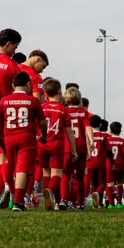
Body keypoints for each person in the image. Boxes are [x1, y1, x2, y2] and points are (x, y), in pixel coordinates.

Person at [0, 72, 47, 211]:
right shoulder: (33, 101)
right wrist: (44, 134)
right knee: (22, 170)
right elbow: (42, 122)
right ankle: (18, 201)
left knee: (9, 166)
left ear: (13, 85)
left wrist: (2, 136)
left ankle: (10, 192)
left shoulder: (4, 100)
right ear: (28, 84)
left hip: (9, 137)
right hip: (26, 137)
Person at [0, 28, 22, 208]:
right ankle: (8, 190)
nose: (15, 50)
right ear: (8, 44)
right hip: (4, 116)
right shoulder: (12, 66)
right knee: (5, 158)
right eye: (15, 46)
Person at [39, 78, 77, 210]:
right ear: (60, 92)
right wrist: (74, 150)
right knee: (57, 174)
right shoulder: (63, 110)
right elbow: (69, 132)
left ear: (45, 93)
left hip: (42, 144)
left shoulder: (41, 108)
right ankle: (51, 193)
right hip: (56, 146)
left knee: (46, 172)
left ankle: (52, 202)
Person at [19, 50, 49, 205]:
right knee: (30, 162)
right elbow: (37, 101)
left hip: (10, 120)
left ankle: (1, 192)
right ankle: (25, 195)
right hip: (29, 122)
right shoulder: (36, 77)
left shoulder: (14, 68)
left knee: (7, 160)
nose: (42, 71)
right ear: (37, 59)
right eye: (42, 67)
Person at [62, 87, 94, 209]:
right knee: (80, 175)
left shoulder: (64, 111)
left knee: (66, 174)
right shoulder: (83, 112)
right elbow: (88, 128)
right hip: (80, 145)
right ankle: (80, 202)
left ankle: (64, 200)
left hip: (67, 146)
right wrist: (92, 141)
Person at [106, 122, 124, 208]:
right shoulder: (122, 141)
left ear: (110, 131)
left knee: (110, 183)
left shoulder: (107, 140)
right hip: (119, 164)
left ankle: (110, 204)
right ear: (120, 131)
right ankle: (119, 203)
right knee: (119, 183)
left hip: (109, 164)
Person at [88, 117, 110, 207]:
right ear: (100, 125)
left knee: (93, 183)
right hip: (101, 163)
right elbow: (108, 150)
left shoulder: (88, 134)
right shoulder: (104, 136)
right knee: (102, 184)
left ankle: (97, 204)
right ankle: (97, 195)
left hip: (90, 163)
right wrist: (111, 161)